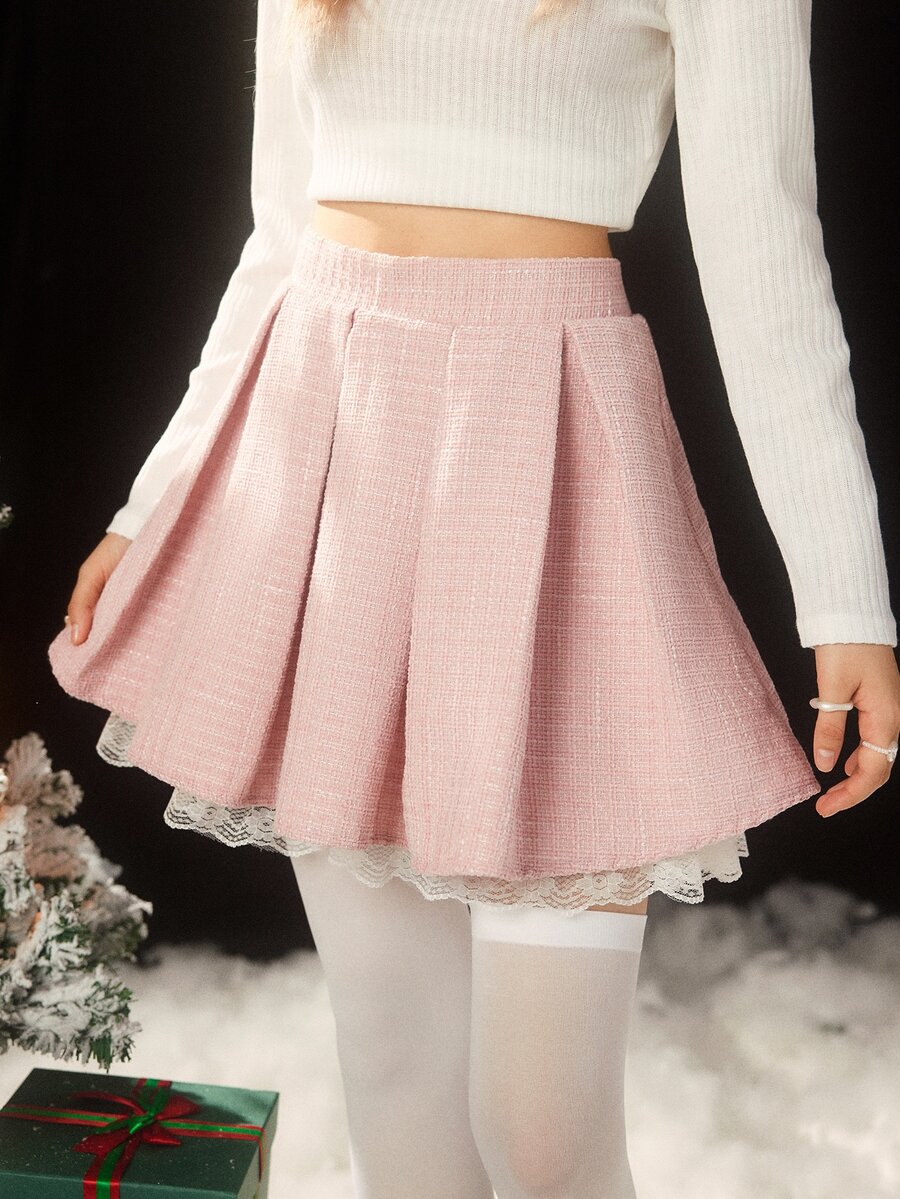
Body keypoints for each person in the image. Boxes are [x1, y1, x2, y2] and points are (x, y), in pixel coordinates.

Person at [48, 0, 900, 1194]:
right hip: (328, 435)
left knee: (545, 1138)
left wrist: (846, 598)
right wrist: (154, 502)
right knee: (394, 1057)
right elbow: (279, 231)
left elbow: (765, 252)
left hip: (553, 447)